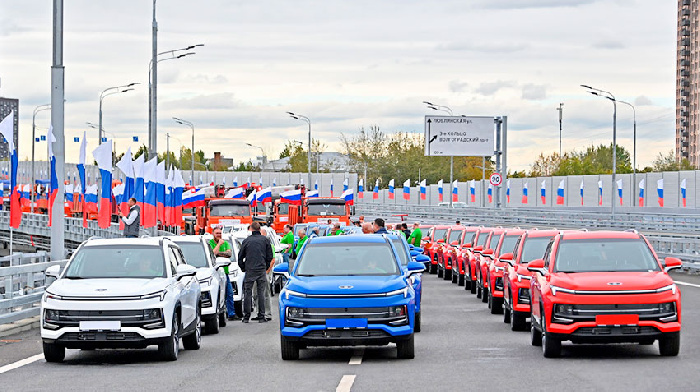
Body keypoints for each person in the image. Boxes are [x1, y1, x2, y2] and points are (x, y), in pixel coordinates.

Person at [238, 221, 273, 323]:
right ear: (259, 229)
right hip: (261, 269)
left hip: (250, 269)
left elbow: (240, 256)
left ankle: (246, 316)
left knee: (248, 293)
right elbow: (269, 255)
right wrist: (265, 266)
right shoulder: (265, 240)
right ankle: (261, 315)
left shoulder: (247, 241)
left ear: (251, 229)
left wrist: (243, 267)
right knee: (261, 292)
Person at [209, 226, 237, 320]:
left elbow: (229, 254)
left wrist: (219, 254)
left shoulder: (226, 243)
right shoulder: (210, 243)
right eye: (217, 233)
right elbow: (213, 254)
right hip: (215, 272)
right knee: (219, 294)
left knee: (229, 293)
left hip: (225, 272)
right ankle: (221, 313)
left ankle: (231, 314)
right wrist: (219, 246)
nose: (219, 235)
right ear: (213, 234)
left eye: (220, 233)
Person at [258, 227, 275, 322]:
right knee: (256, 293)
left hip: (265, 272)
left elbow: (272, 260)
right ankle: (259, 313)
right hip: (258, 271)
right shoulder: (258, 244)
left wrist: (267, 271)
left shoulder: (268, 244)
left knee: (265, 293)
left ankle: (267, 314)